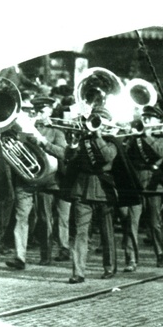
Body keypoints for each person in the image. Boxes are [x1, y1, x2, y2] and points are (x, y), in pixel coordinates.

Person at [5, 97, 67, 270]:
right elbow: (13, 147)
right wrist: (25, 132)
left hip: (47, 179)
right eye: (36, 111)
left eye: (42, 111)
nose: (38, 114)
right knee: (21, 218)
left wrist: (44, 143)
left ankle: (46, 254)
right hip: (25, 179)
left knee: (44, 218)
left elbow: (63, 153)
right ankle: (20, 257)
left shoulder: (56, 131)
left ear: (50, 112)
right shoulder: (25, 128)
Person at [60, 107, 119, 284]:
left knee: (106, 232)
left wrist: (98, 135)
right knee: (80, 232)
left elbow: (107, 156)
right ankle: (78, 271)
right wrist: (71, 144)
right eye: (94, 119)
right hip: (82, 190)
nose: (95, 123)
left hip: (103, 190)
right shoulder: (83, 140)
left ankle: (109, 266)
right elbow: (68, 157)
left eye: (100, 119)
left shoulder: (112, 141)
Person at [118, 105, 163, 272]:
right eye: (145, 117)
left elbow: (161, 152)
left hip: (154, 185)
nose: (146, 120)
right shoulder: (134, 137)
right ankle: (131, 259)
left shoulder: (162, 137)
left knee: (155, 223)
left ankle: (160, 253)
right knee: (131, 223)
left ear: (158, 121)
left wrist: (146, 136)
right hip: (136, 184)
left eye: (150, 118)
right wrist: (127, 137)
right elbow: (123, 155)